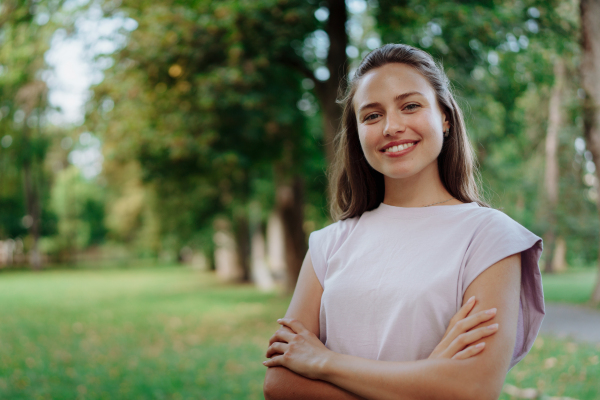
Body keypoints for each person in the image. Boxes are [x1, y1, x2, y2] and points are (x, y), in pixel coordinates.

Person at [262, 43, 544, 400]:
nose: (392, 127)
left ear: (444, 116)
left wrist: (323, 362)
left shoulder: (491, 237)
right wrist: (425, 381)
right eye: (372, 115)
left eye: (410, 106)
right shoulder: (328, 243)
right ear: (358, 133)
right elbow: (280, 385)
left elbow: (473, 388)